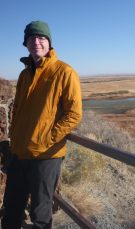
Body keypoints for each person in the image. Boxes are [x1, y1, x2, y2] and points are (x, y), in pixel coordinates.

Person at [1, 20, 82, 228]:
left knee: (40, 213)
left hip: (46, 156)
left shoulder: (65, 72)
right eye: (32, 38)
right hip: (19, 153)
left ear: (49, 43)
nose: (37, 42)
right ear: (26, 43)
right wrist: (14, 139)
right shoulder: (24, 74)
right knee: (11, 209)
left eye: (41, 38)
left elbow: (74, 114)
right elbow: (17, 110)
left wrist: (47, 139)